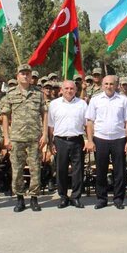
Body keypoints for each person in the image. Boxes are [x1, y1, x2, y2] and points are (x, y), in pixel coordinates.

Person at [0, 64, 48, 213]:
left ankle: (34, 198)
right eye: (22, 73)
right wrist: (6, 137)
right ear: (17, 76)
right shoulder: (10, 94)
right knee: (17, 170)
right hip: (16, 138)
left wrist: (45, 134)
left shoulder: (38, 94)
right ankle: (20, 198)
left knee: (35, 169)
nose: (25, 76)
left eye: (28, 74)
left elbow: (44, 114)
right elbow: (5, 116)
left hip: (34, 137)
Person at [86, 75, 127, 209]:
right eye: (106, 84)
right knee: (101, 171)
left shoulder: (123, 100)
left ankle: (118, 199)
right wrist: (90, 140)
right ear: (102, 85)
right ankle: (101, 199)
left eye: (111, 84)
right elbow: (89, 121)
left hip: (119, 139)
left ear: (116, 85)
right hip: (100, 139)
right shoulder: (95, 100)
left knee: (119, 171)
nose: (108, 86)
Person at [47, 80, 88, 208]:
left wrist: (87, 140)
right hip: (60, 140)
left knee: (78, 170)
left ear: (76, 90)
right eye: (66, 88)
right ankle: (63, 197)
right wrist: (51, 142)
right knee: (61, 170)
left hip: (77, 140)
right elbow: (50, 126)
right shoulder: (54, 104)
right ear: (61, 90)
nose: (69, 91)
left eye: (72, 88)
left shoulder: (82, 104)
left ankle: (76, 197)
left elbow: (87, 124)